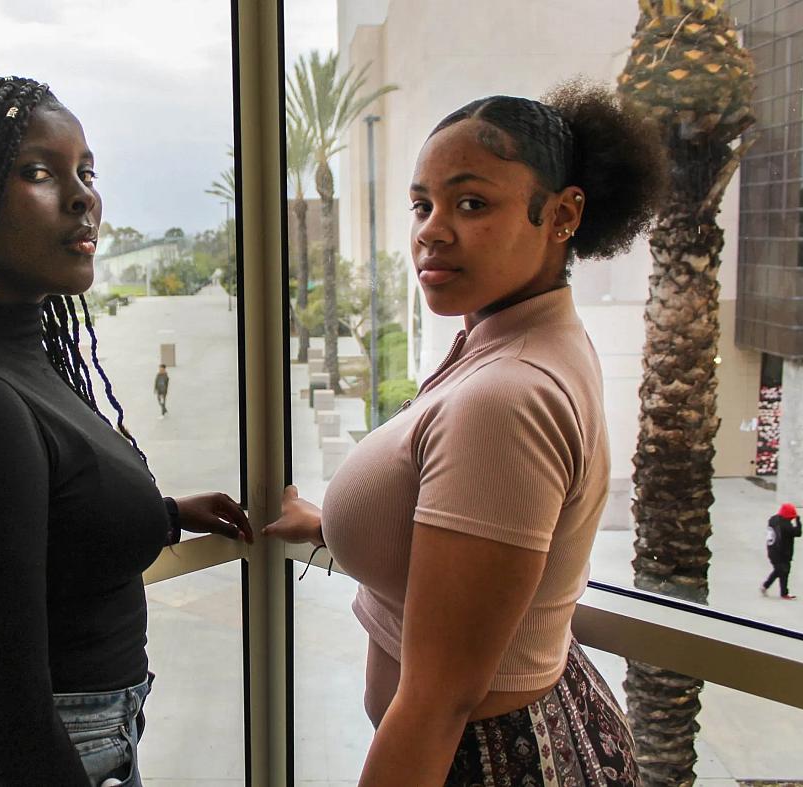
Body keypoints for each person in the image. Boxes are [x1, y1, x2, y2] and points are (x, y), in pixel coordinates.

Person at [265, 80, 665, 785]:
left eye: (471, 203)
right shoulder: (522, 338)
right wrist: (328, 523)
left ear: (563, 214)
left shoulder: (505, 395)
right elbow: (457, 545)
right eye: (423, 204)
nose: (431, 229)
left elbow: (438, 700)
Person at [0, 76, 252, 787]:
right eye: (38, 172)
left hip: (77, 735)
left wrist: (163, 514)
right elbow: (5, 722)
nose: (82, 197)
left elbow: (38, 522)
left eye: (86, 172)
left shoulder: (18, 357)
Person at [762, 502, 803, 599]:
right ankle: (778, 591)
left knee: (780, 571)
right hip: (782, 554)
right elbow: (798, 533)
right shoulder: (786, 526)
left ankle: (770, 588)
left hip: (772, 550)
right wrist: (798, 521)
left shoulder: (773, 519)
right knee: (782, 571)